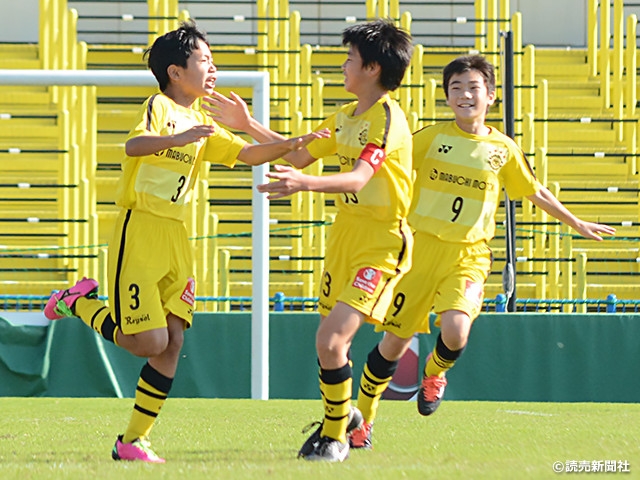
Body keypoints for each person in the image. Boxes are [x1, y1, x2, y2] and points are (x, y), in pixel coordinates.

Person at [43, 20, 328, 463]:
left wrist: (296, 142)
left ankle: (132, 441)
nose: (213, 68)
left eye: (213, 61)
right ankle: (79, 301)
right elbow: (134, 145)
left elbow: (247, 154)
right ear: (176, 72)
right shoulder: (160, 105)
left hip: (178, 235)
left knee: (173, 341)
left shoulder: (202, 122)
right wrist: (176, 138)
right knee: (147, 343)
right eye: (204, 60)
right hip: (140, 231)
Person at [346, 54, 617, 449]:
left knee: (456, 330)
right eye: (455, 88)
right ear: (447, 97)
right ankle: (362, 421)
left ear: (490, 95)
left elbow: (534, 191)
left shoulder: (501, 149)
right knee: (393, 344)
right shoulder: (430, 138)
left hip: (468, 255)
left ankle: (435, 374)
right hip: (418, 252)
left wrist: (576, 222)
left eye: (473, 87)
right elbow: (387, 160)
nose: (464, 95)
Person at [204, 18, 414, 462]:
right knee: (330, 341)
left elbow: (359, 178)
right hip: (344, 240)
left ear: (373, 68)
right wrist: (247, 124)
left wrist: (304, 184)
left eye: (350, 59)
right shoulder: (344, 117)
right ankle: (345, 417)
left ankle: (336, 436)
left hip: (380, 243)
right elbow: (296, 151)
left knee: (331, 341)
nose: (343, 65)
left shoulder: (388, 119)